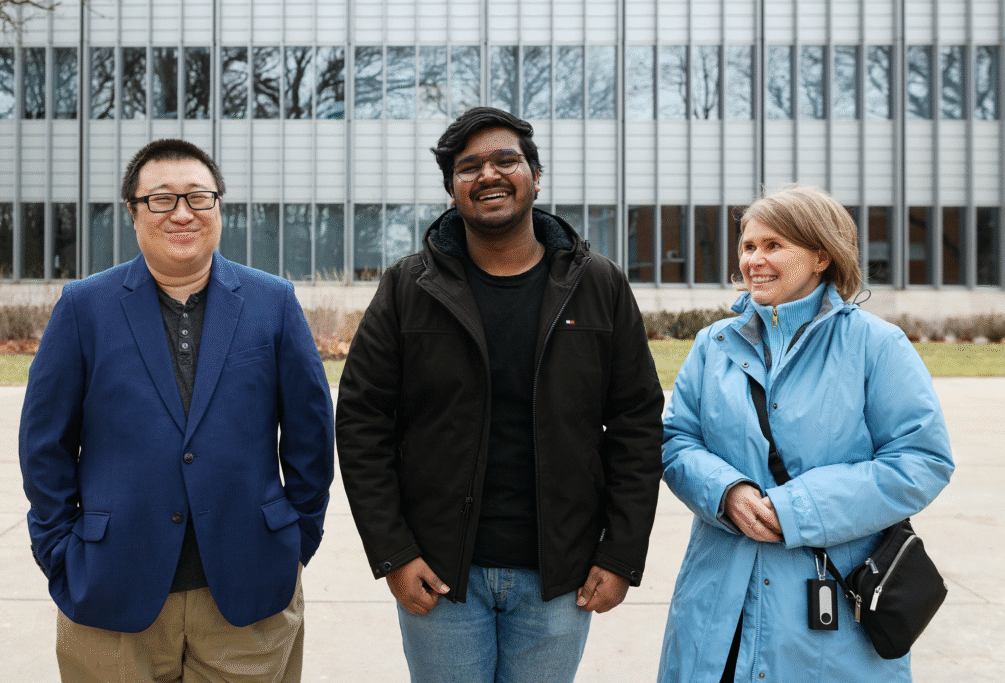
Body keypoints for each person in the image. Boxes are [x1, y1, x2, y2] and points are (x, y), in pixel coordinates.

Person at [336, 107, 664, 683]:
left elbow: (636, 424)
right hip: (439, 573)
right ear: (452, 188)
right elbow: (362, 421)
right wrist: (393, 552)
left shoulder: (599, 285)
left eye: (505, 160)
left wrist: (620, 554)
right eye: (469, 167)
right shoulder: (409, 287)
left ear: (536, 176)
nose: (488, 174)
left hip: (560, 573)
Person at [19, 139, 335, 682]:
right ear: (134, 214)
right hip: (111, 590)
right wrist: (58, 550)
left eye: (198, 197)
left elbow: (310, 433)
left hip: (248, 586)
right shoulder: (84, 306)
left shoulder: (273, 301)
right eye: (161, 200)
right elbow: (44, 443)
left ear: (219, 207)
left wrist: (295, 540)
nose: (183, 213)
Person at [656, 186, 954, 682]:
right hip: (715, 607)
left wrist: (796, 510)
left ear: (821, 255)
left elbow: (921, 461)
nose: (755, 259)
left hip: (832, 619)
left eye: (774, 245)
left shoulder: (875, 345)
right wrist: (726, 492)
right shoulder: (713, 344)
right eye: (749, 246)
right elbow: (676, 440)